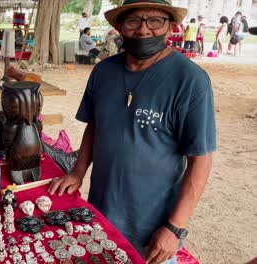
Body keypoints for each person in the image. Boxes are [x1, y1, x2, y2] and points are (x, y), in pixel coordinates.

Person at [49, 1, 216, 264]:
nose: (143, 30)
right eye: (133, 21)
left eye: (155, 21)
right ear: (119, 27)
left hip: (151, 227)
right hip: (102, 210)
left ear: (171, 26)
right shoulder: (103, 71)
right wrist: (78, 172)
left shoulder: (190, 80)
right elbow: (95, 125)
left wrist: (175, 228)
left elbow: (201, 159)